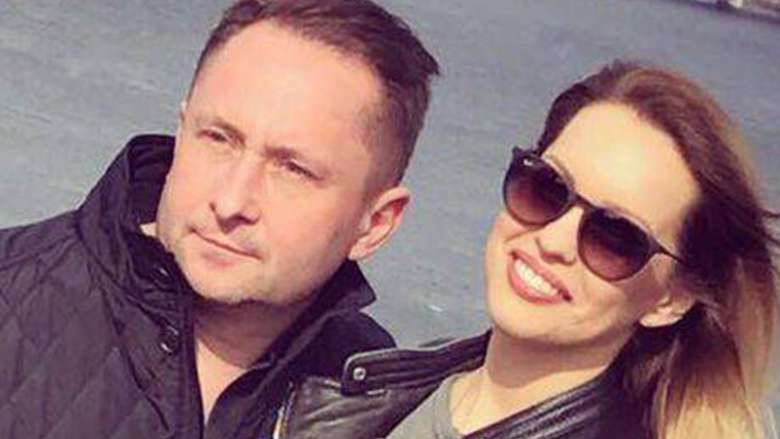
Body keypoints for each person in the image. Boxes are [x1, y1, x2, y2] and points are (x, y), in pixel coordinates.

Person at [0, 1, 439, 438]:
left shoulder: (372, 400)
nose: (230, 202)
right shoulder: (11, 296)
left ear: (375, 224)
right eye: (218, 139)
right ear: (182, 130)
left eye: (293, 170)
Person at [273, 61, 779, 439]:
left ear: (671, 299)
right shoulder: (376, 388)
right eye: (546, 188)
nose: (553, 240)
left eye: (615, 236)